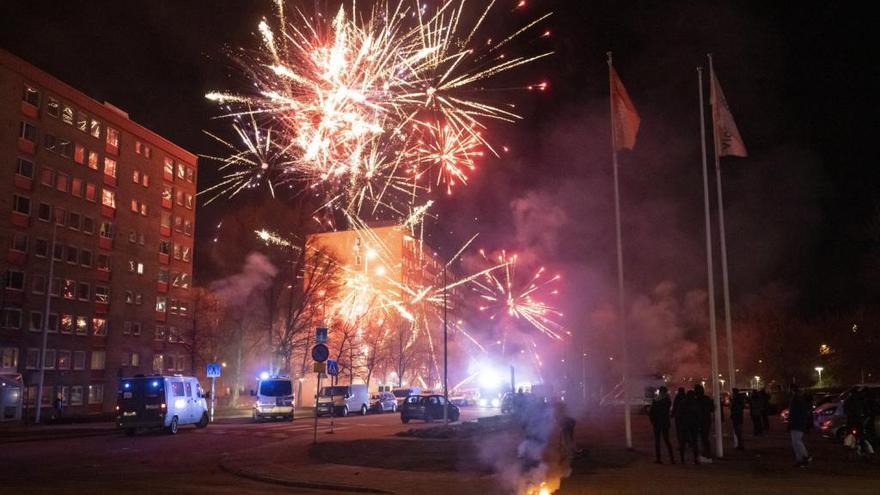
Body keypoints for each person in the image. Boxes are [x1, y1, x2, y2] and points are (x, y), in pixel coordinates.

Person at [649, 386, 675, 464]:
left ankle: (658, 459)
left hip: (657, 423)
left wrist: (653, 422)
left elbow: (651, 413)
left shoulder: (655, 400)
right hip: (665, 423)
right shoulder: (667, 400)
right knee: (667, 440)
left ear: (660, 392)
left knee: (657, 441)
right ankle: (672, 459)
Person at [788, 385, 812, 467]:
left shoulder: (798, 401)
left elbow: (797, 413)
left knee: (797, 441)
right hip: (797, 423)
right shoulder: (798, 400)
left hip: (797, 423)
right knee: (795, 442)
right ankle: (800, 458)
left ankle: (805, 456)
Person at [694, 384, 714, 463]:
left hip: (700, 421)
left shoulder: (696, 400)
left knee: (703, 438)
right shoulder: (707, 399)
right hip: (706, 421)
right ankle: (706, 453)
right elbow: (712, 408)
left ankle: (706, 454)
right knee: (705, 438)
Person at [681, 390, 702, 464]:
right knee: (694, 442)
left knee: (683, 442)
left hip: (685, 424)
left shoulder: (683, 403)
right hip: (694, 425)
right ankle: (695, 459)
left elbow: (679, 414)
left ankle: (682, 459)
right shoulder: (695, 403)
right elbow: (698, 415)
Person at [671, 387, 688, 462]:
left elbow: (674, 406)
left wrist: (672, 414)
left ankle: (681, 445)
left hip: (679, 417)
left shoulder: (677, 397)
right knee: (686, 431)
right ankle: (687, 442)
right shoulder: (686, 397)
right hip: (686, 418)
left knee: (679, 432)